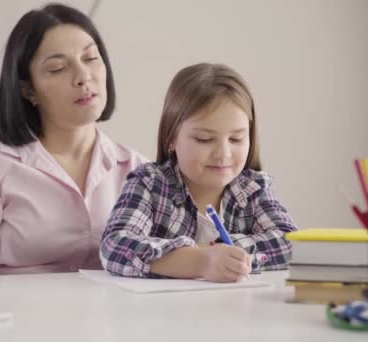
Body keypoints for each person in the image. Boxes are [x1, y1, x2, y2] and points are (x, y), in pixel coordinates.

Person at [0, 3, 147, 277]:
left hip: (112, 319)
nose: (83, 77)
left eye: (90, 58)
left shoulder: (138, 170)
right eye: (57, 68)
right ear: (28, 89)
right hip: (15, 318)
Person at [100, 63, 298, 283]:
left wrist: (228, 253)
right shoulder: (149, 184)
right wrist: (200, 259)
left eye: (236, 139)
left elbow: (291, 243)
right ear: (172, 138)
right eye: (204, 139)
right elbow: (114, 246)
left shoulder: (254, 189)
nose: (223, 154)